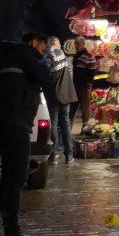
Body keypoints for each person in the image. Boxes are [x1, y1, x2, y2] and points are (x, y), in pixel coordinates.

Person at [0, 32, 50, 236]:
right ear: (35, 42)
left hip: (5, 123)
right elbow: (45, 77)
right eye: (42, 47)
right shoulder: (26, 53)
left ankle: (10, 232)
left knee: (8, 178)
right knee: (15, 180)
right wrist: (42, 62)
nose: (43, 52)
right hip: (17, 126)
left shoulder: (4, 56)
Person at [43, 36, 77, 165]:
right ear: (58, 44)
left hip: (53, 95)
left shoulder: (48, 54)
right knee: (65, 124)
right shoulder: (62, 54)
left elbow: (45, 74)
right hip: (65, 95)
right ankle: (69, 155)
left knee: (53, 124)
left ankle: (54, 153)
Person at [69, 37, 96, 129]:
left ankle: (86, 129)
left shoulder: (88, 56)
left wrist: (88, 85)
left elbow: (92, 72)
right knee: (72, 109)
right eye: (75, 43)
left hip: (84, 86)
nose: (76, 46)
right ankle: (68, 129)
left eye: (78, 43)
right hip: (76, 85)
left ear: (83, 44)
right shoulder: (76, 56)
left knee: (85, 109)